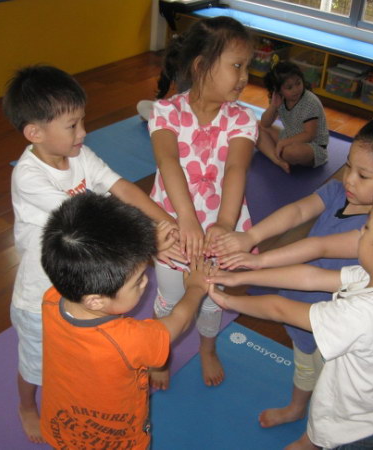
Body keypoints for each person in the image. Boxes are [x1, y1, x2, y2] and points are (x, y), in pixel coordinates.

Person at [208, 174, 373, 449]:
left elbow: (280, 309)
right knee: (329, 411)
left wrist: (229, 301)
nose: (359, 231)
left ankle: (312, 442)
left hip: (365, 434)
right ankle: (309, 441)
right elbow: (311, 278)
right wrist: (241, 277)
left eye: (367, 228)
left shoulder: (365, 315)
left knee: (333, 420)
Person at [211, 117, 373, 435]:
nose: (349, 179)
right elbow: (298, 212)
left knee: (331, 383)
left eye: (363, 175)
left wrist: (256, 263)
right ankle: (297, 407)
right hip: (303, 293)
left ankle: (314, 433)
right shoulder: (338, 192)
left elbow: (318, 247)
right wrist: (252, 238)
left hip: (340, 321)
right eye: (349, 166)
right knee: (304, 363)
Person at [2, 65, 183, 443]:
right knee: (35, 365)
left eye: (82, 121)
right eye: (72, 126)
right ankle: (26, 405)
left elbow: (123, 188)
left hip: (83, 289)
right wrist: (149, 243)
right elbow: (90, 226)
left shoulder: (80, 155)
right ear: (35, 133)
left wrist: (167, 221)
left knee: (82, 363)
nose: (83, 132)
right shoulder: (29, 178)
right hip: (40, 297)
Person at [39, 192, 211, 449]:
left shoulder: (53, 298)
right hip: (117, 439)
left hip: (62, 425)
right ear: (95, 301)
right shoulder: (129, 340)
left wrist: (145, 248)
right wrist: (195, 288)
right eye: (138, 281)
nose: (146, 282)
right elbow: (180, 321)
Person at [147, 16, 258, 389]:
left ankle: (207, 348)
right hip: (175, 229)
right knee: (169, 297)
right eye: (237, 66)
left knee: (211, 299)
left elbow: (236, 169)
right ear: (200, 66)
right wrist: (187, 218)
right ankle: (160, 354)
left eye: (248, 67)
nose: (244, 77)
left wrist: (225, 224)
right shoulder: (166, 112)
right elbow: (168, 161)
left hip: (217, 232)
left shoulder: (242, 118)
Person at [256, 61, 329, 173]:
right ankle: (277, 160)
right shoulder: (280, 99)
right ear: (278, 90)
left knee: (292, 152)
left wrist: (283, 143)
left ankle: (277, 151)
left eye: (298, 83)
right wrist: (273, 106)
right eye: (289, 87)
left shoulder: (310, 102)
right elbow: (265, 124)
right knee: (255, 127)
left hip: (313, 146)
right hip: (290, 136)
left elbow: (309, 135)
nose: (295, 89)